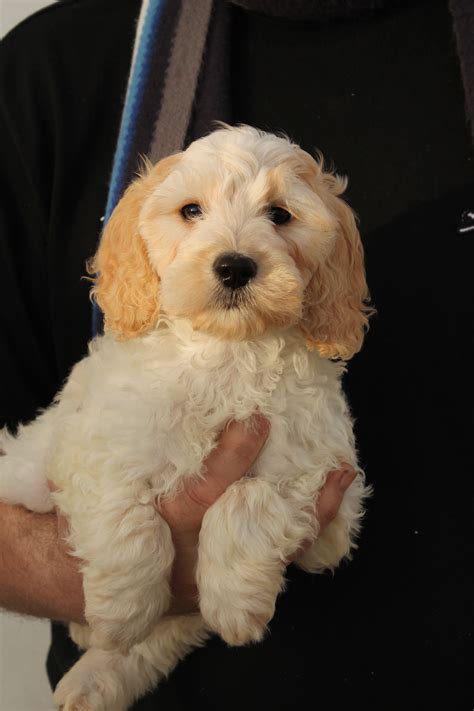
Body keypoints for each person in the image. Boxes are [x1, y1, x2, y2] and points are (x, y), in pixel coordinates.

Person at [0, 0, 472, 709]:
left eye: (280, 216)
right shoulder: (52, 70)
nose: (235, 250)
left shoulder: (307, 384)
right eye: (191, 212)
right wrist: (104, 567)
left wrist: (248, 519)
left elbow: (329, 529)